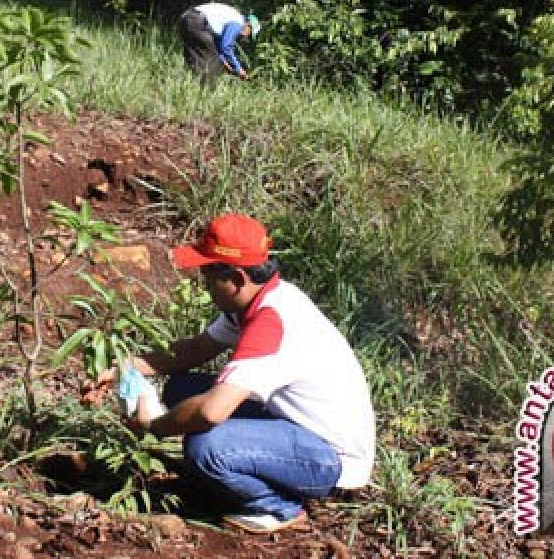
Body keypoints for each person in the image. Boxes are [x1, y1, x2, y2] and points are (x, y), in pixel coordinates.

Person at [98, 213, 375, 534]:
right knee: (182, 388)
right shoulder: (256, 300)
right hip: (297, 427)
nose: (203, 283)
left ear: (237, 279)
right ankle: (245, 475)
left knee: (207, 447)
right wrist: (122, 366)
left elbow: (212, 412)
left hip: (331, 458)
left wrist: (155, 425)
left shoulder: (271, 324)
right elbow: (194, 350)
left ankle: (279, 508)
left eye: (208, 273)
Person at [178, 3, 259, 85]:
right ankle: (208, 92)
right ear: (248, 25)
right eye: (250, 33)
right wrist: (238, 68)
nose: (246, 36)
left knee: (194, 59)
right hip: (197, 20)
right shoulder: (238, 22)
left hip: (186, 19)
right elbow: (226, 47)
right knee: (212, 61)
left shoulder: (227, 21)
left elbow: (218, 48)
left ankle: (188, 85)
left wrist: (225, 62)